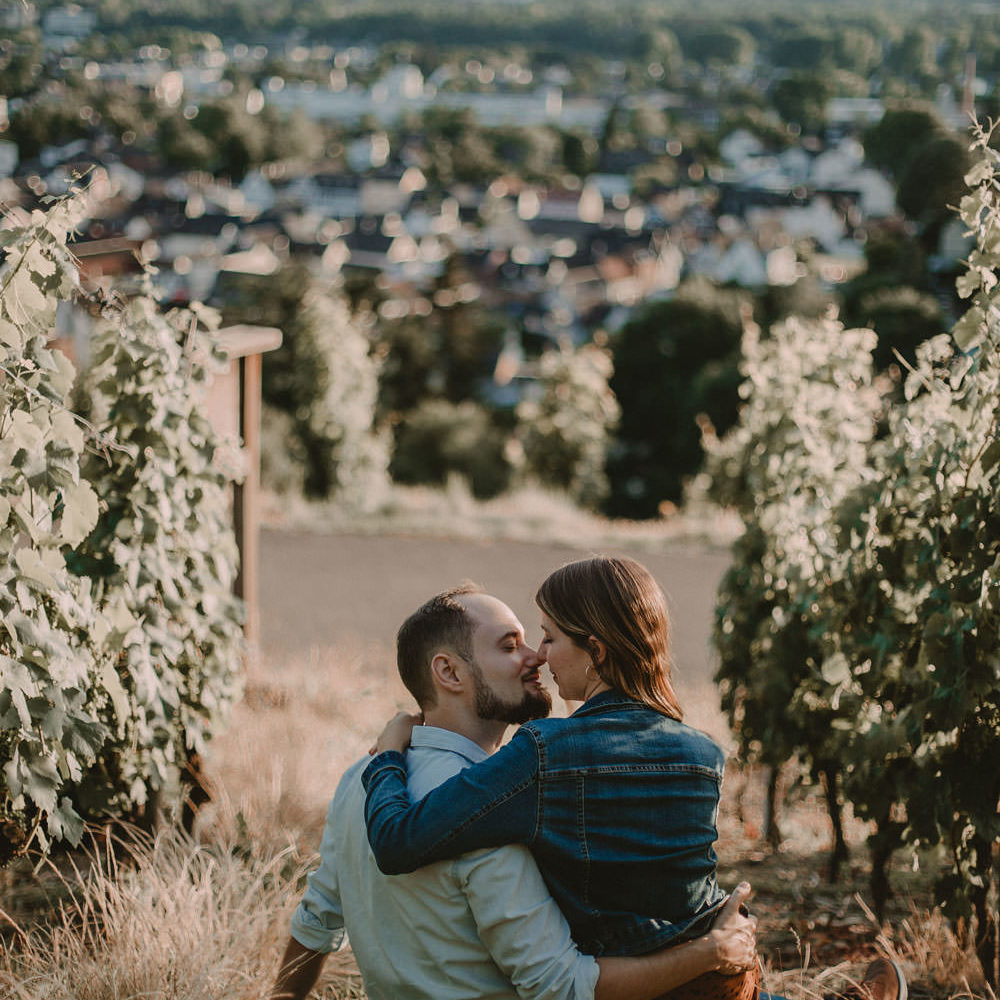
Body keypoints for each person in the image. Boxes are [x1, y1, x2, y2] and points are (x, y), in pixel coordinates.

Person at [362, 558, 908, 1000]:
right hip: (724, 976)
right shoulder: (703, 754)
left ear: (595, 651)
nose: (541, 656)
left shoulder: (544, 753)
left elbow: (398, 840)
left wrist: (387, 757)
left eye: (551, 639)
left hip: (640, 984)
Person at [270, 583, 759, 1000]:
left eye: (536, 640)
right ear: (449, 673)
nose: (536, 658)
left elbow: (316, 921)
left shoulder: (363, 774)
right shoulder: (499, 807)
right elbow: (562, 985)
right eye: (509, 646)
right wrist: (708, 953)